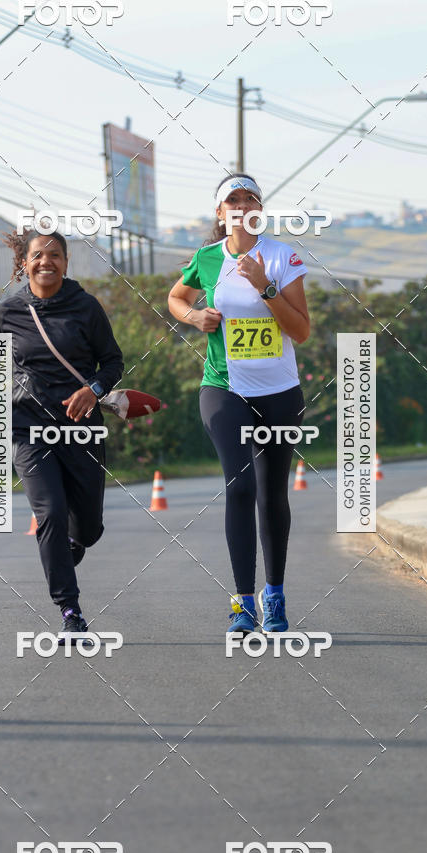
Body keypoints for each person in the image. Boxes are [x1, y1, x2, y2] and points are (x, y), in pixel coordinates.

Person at [0, 229, 124, 636]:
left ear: (66, 264)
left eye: (54, 255)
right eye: (37, 255)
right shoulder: (9, 312)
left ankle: (73, 546)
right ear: (24, 263)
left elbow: (112, 362)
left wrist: (94, 390)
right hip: (26, 427)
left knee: (88, 527)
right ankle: (70, 610)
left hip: (79, 428)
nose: (45, 261)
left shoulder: (86, 308)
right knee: (48, 512)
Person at [168, 173, 310, 635]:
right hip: (223, 387)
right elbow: (176, 297)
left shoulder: (281, 256)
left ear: (259, 209)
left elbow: (301, 330)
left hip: (279, 390)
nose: (243, 203)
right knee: (240, 487)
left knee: (271, 494)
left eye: (251, 198)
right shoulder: (207, 259)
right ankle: (242, 604)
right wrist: (195, 316)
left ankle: (276, 595)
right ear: (220, 212)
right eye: (234, 198)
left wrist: (265, 287)